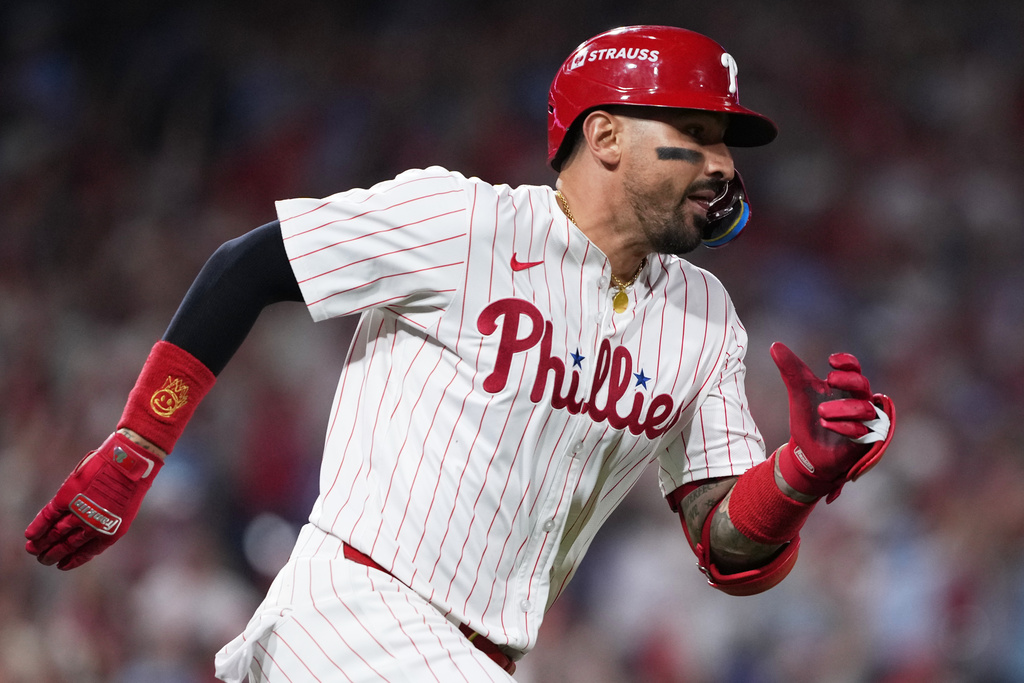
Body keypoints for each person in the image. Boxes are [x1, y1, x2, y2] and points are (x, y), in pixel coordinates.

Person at [25, 25, 895, 682]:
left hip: (478, 655)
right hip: (354, 612)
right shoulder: (467, 222)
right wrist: (137, 447)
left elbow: (725, 548)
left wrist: (798, 478)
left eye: (724, 144)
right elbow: (246, 264)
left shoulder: (703, 316)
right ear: (606, 138)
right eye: (696, 134)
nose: (720, 164)